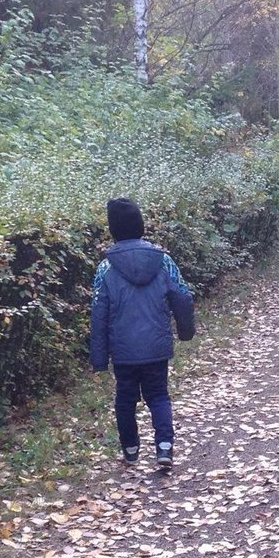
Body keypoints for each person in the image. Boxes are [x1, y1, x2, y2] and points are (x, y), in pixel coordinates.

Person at [89, 197, 196, 468]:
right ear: (141, 225)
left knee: (125, 399)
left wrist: (99, 359)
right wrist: (185, 332)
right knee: (158, 395)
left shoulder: (105, 269)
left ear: (113, 229)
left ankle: (131, 448)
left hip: (123, 351)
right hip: (156, 345)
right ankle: (163, 447)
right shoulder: (163, 262)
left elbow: (98, 314)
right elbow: (182, 297)